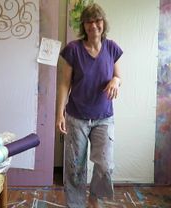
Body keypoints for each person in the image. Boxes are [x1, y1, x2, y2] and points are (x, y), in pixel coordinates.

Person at [56, 3, 123, 208]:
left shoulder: (111, 47)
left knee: (105, 165)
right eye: (89, 21)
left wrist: (115, 81)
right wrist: (59, 114)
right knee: (75, 167)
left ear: (104, 23)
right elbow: (64, 84)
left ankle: (94, 200)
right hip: (76, 117)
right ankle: (75, 205)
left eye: (97, 20)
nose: (94, 25)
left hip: (104, 117)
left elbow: (118, 76)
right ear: (83, 25)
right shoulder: (73, 49)